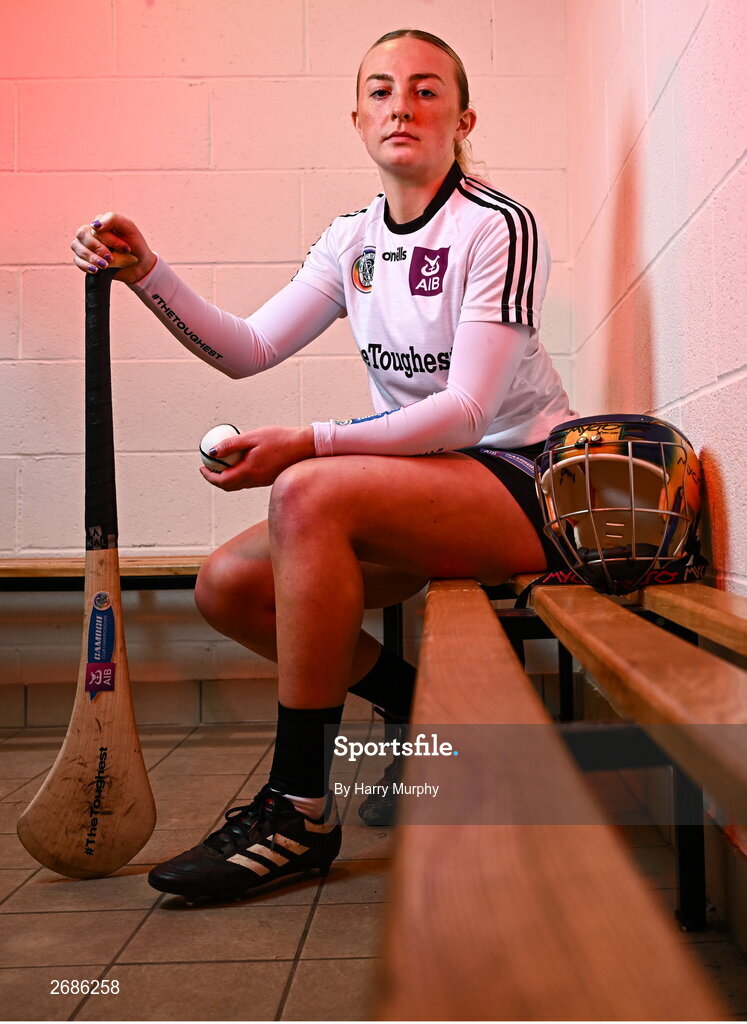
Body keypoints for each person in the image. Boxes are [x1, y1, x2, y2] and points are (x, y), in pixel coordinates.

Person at [71, 28, 572, 903]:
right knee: (226, 587)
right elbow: (249, 348)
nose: (401, 107)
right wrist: (147, 273)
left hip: (521, 483)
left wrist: (306, 443)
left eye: (424, 90)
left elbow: (469, 413)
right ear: (357, 118)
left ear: (463, 118)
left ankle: (298, 807)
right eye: (380, 91)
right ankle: (415, 700)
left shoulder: (495, 225)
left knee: (305, 488)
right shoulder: (352, 241)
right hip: (421, 486)